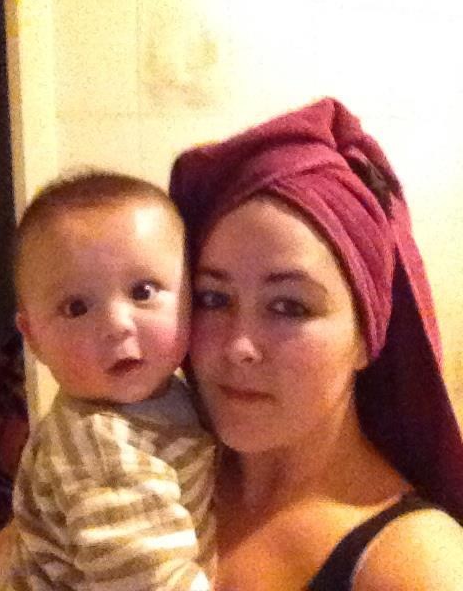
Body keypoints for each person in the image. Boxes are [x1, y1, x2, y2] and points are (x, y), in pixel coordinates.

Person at [170, 98, 463, 590]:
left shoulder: (417, 567)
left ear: (367, 336)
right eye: (213, 298)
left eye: (289, 306)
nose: (238, 346)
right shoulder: (149, 480)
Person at [2, 172, 216, 590]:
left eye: (143, 291)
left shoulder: (172, 394)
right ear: (34, 339)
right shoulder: (101, 447)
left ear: (190, 295)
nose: (117, 325)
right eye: (76, 307)